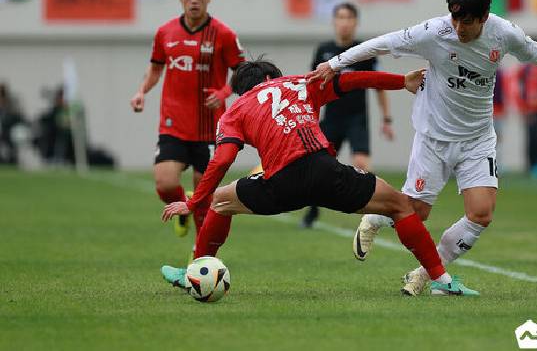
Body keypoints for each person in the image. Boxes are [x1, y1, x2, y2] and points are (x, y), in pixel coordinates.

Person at [308, 0, 537, 296]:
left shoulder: (504, 33)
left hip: (478, 138)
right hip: (434, 138)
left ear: (483, 18)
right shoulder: (434, 32)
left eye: (466, 21)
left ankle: (426, 276)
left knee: (481, 213)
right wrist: (334, 64)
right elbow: (382, 43)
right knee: (417, 212)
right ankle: (374, 218)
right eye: (454, 19)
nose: (458, 27)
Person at [160, 60, 470, 296]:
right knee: (401, 205)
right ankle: (442, 281)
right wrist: (401, 81)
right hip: (326, 172)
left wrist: (193, 201)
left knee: (219, 202)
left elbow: (224, 158)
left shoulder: (236, 109)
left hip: (279, 185)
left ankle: (195, 272)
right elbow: (351, 81)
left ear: (243, 89)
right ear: (272, 77)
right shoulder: (299, 83)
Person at [130, 0, 245, 241]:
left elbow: (242, 70)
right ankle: (182, 206)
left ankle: (199, 258)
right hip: (174, 123)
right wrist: (141, 92)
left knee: (205, 201)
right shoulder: (165, 33)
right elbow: (156, 69)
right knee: (165, 184)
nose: (194, 0)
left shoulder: (223, 34)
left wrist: (225, 90)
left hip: (210, 126)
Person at [301, 2, 395, 228]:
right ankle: (312, 213)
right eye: (340, 17)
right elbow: (312, 86)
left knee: (362, 163)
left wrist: (387, 119)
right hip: (332, 118)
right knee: (318, 168)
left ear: (355, 22)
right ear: (334, 21)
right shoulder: (323, 50)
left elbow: (379, 86)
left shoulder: (364, 51)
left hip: (357, 119)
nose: (344, 22)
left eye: (349, 18)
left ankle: (378, 211)